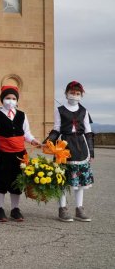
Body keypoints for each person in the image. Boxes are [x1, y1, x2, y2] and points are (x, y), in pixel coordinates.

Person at [0, 85, 41, 222]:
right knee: (1, 180)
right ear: (2, 99)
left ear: (17, 100)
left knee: (17, 182)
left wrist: (33, 140)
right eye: (7, 98)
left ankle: (15, 209)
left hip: (19, 154)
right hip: (3, 153)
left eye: (13, 98)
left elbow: (26, 133)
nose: (10, 101)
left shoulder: (22, 115)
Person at [44, 81, 94, 222]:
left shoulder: (84, 111)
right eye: (72, 93)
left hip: (81, 147)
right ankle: (63, 209)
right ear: (66, 94)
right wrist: (48, 142)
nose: (75, 96)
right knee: (63, 180)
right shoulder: (59, 110)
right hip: (64, 146)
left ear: (81, 95)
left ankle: (79, 209)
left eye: (78, 94)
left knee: (80, 182)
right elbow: (56, 129)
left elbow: (89, 132)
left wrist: (91, 151)